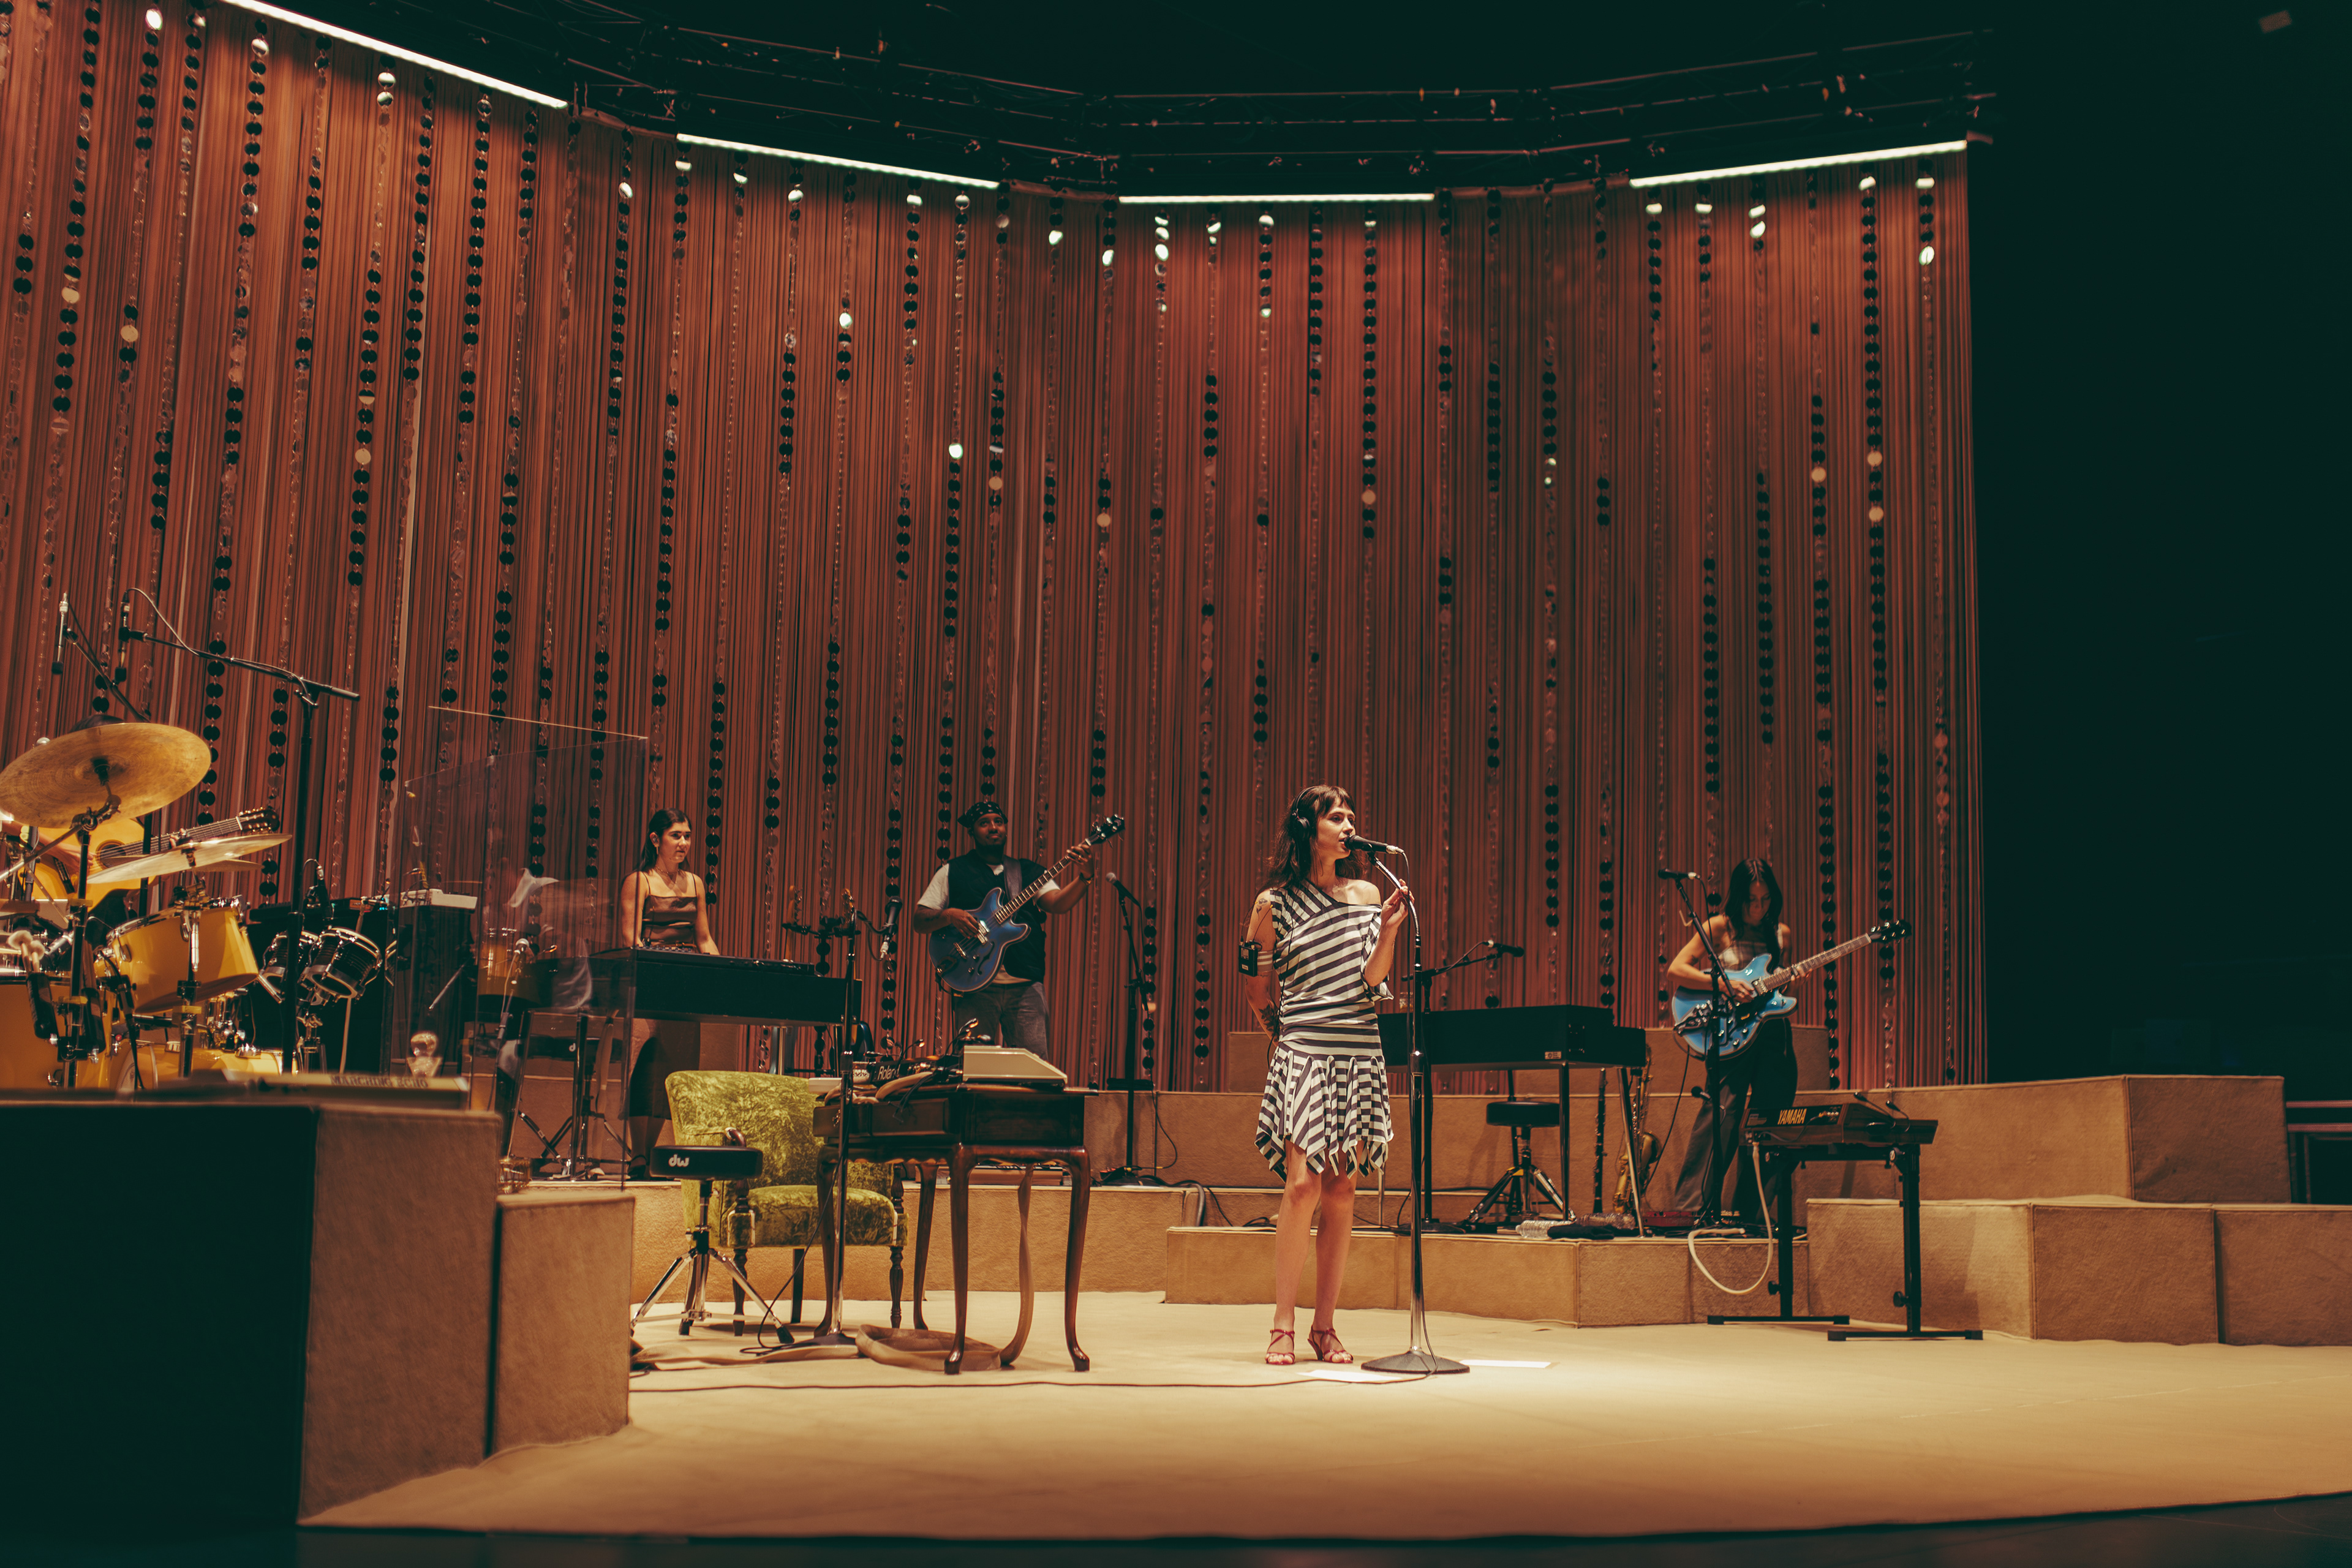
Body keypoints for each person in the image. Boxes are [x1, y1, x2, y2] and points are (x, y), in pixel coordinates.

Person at [1242, 784, 1410, 1366]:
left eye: (1351, 816)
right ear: (1306, 827)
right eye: (1335, 816)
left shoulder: (1367, 894)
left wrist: (1388, 932)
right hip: (1305, 1052)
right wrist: (1285, 1044)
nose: (1348, 824)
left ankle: (1325, 1326)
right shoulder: (1273, 904)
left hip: (1359, 1050)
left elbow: (1373, 979)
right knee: (1302, 1186)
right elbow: (1256, 989)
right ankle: (1282, 1323)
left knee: (1342, 1189)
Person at [1665, 856, 1796, 1224]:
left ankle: (1750, 1215)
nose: (1758, 907)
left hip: (1771, 1033)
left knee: (1772, 1120)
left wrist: (1792, 980)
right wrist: (1724, 984)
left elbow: (1781, 990)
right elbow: (1676, 969)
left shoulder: (1781, 934)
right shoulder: (1719, 927)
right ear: (1739, 897)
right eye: (1751, 900)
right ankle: (1691, 1211)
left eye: (1766, 899)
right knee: (1721, 1115)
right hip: (1732, 1033)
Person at [911, 800, 1093, 1057]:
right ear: (972, 832)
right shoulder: (952, 871)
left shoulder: (1027, 871)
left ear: (1006, 829)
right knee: (973, 1067)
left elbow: (1058, 904)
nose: (993, 827)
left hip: (1025, 984)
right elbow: (920, 920)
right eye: (984, 823)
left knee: (1034, 1069)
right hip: (973, 984)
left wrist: (1085, 877)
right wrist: (950, 915)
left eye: (998, 822)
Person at [619, 808, 718, 1170]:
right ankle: (638, 1153)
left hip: (685, 984)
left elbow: (704, 939)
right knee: (646, 1064)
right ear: (655, 839)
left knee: (672, 1069)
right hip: (650, 981)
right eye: (676, 835)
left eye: (687, 836)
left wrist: (720, 973)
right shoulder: (640, 881)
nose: (684, 843)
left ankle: (647, 1154)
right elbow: (630, 939)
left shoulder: (696, 884)